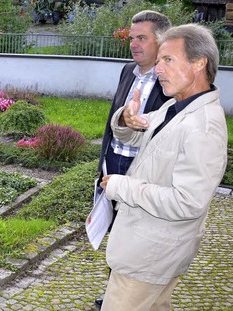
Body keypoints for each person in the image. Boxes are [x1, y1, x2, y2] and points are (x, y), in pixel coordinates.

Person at [99, 24, 227, 310]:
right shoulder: (176, 107)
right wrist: (125, 120)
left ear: (199, 63)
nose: (157, 70)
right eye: (158, 62)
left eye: (167, 60)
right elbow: (140, 133)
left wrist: (122, 186)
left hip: (149, 255)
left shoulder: (203, 127)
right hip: (153, 249)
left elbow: (187, 202)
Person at [95, 10, 171, 308]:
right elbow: (111, 122)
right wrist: (103, 161)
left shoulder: (171, 80)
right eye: (131, 38)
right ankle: (114, 293)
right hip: (114, 163)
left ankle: (135, 298)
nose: (134, 44)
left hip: (144, 172)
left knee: (137, 238)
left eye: (142, 38)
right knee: (115, 232)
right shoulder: (128, 71)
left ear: (162, 41)